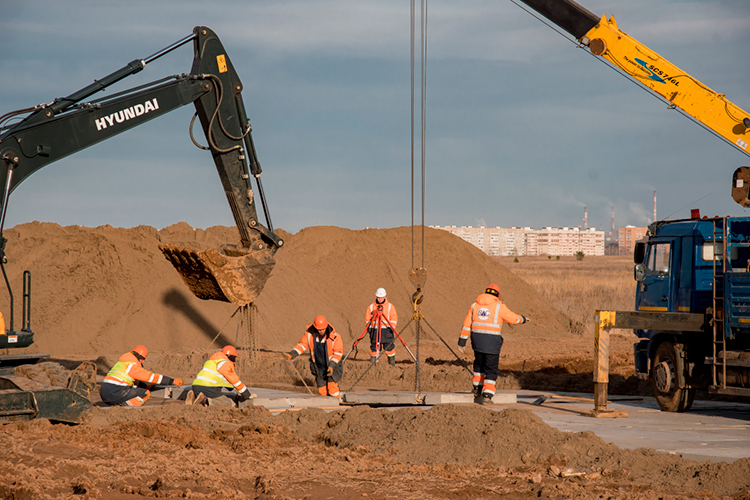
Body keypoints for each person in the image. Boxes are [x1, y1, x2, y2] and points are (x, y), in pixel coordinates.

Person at [458, 284, 529, 404]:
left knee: (479, 365)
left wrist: (462, 341)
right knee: (491, 368)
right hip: (492, 343)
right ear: (497, 295)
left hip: (477, 341)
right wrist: (523, 319)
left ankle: (477, 388)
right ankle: (487, 394)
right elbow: (512, 318)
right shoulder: (499, 306)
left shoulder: (474, 305)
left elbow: (466, 324)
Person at [100, 345, 183, 407]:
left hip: (105, 393)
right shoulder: (133, 365)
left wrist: (146, 386)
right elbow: (151, 377)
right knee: (145, 393)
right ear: (138, 357)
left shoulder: (122, 363)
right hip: (114, 392)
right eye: (142, 359)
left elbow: (134, 382)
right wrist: (172, 381)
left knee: (135, 388)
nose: (143, 362)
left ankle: (119, 404)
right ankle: (125, 407)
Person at [284, 315, 343, 397]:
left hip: (332, 367)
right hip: (319, 368)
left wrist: (332, 366)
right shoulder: (309, 334)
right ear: (315, 327)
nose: (321, 331)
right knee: (322, 392)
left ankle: (337, 404)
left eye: (323, 329)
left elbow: (338, 353)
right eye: (319, 330)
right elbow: (302, 345)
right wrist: (291, 355)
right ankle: (326, 408)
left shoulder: (335, 337)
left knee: (332, 390)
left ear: (326, 326)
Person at [187, 345, 256, 406]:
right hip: (208, 387)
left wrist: (231, 387)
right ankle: (204, 400)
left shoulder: (211, 362)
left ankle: (193, 396)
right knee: (228, 403)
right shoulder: (225, 363)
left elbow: (220, 378)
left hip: (196, 386)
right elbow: (234, 380)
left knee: (204, 394)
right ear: (231, 357)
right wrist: (246, 394)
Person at [365, 287, 398, 366]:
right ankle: (373, 367)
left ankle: (392, 367)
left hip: (387, 332)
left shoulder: (390, 306)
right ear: (376, 297)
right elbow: (367, 319)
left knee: (390, 349)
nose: (380, 299)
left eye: (381, 297)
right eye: (378, 297)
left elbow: (394, 318)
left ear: (385, 296)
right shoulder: (371, 307)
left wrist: (391, 328)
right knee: (374, 349)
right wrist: (369, 327)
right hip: (375, 331)